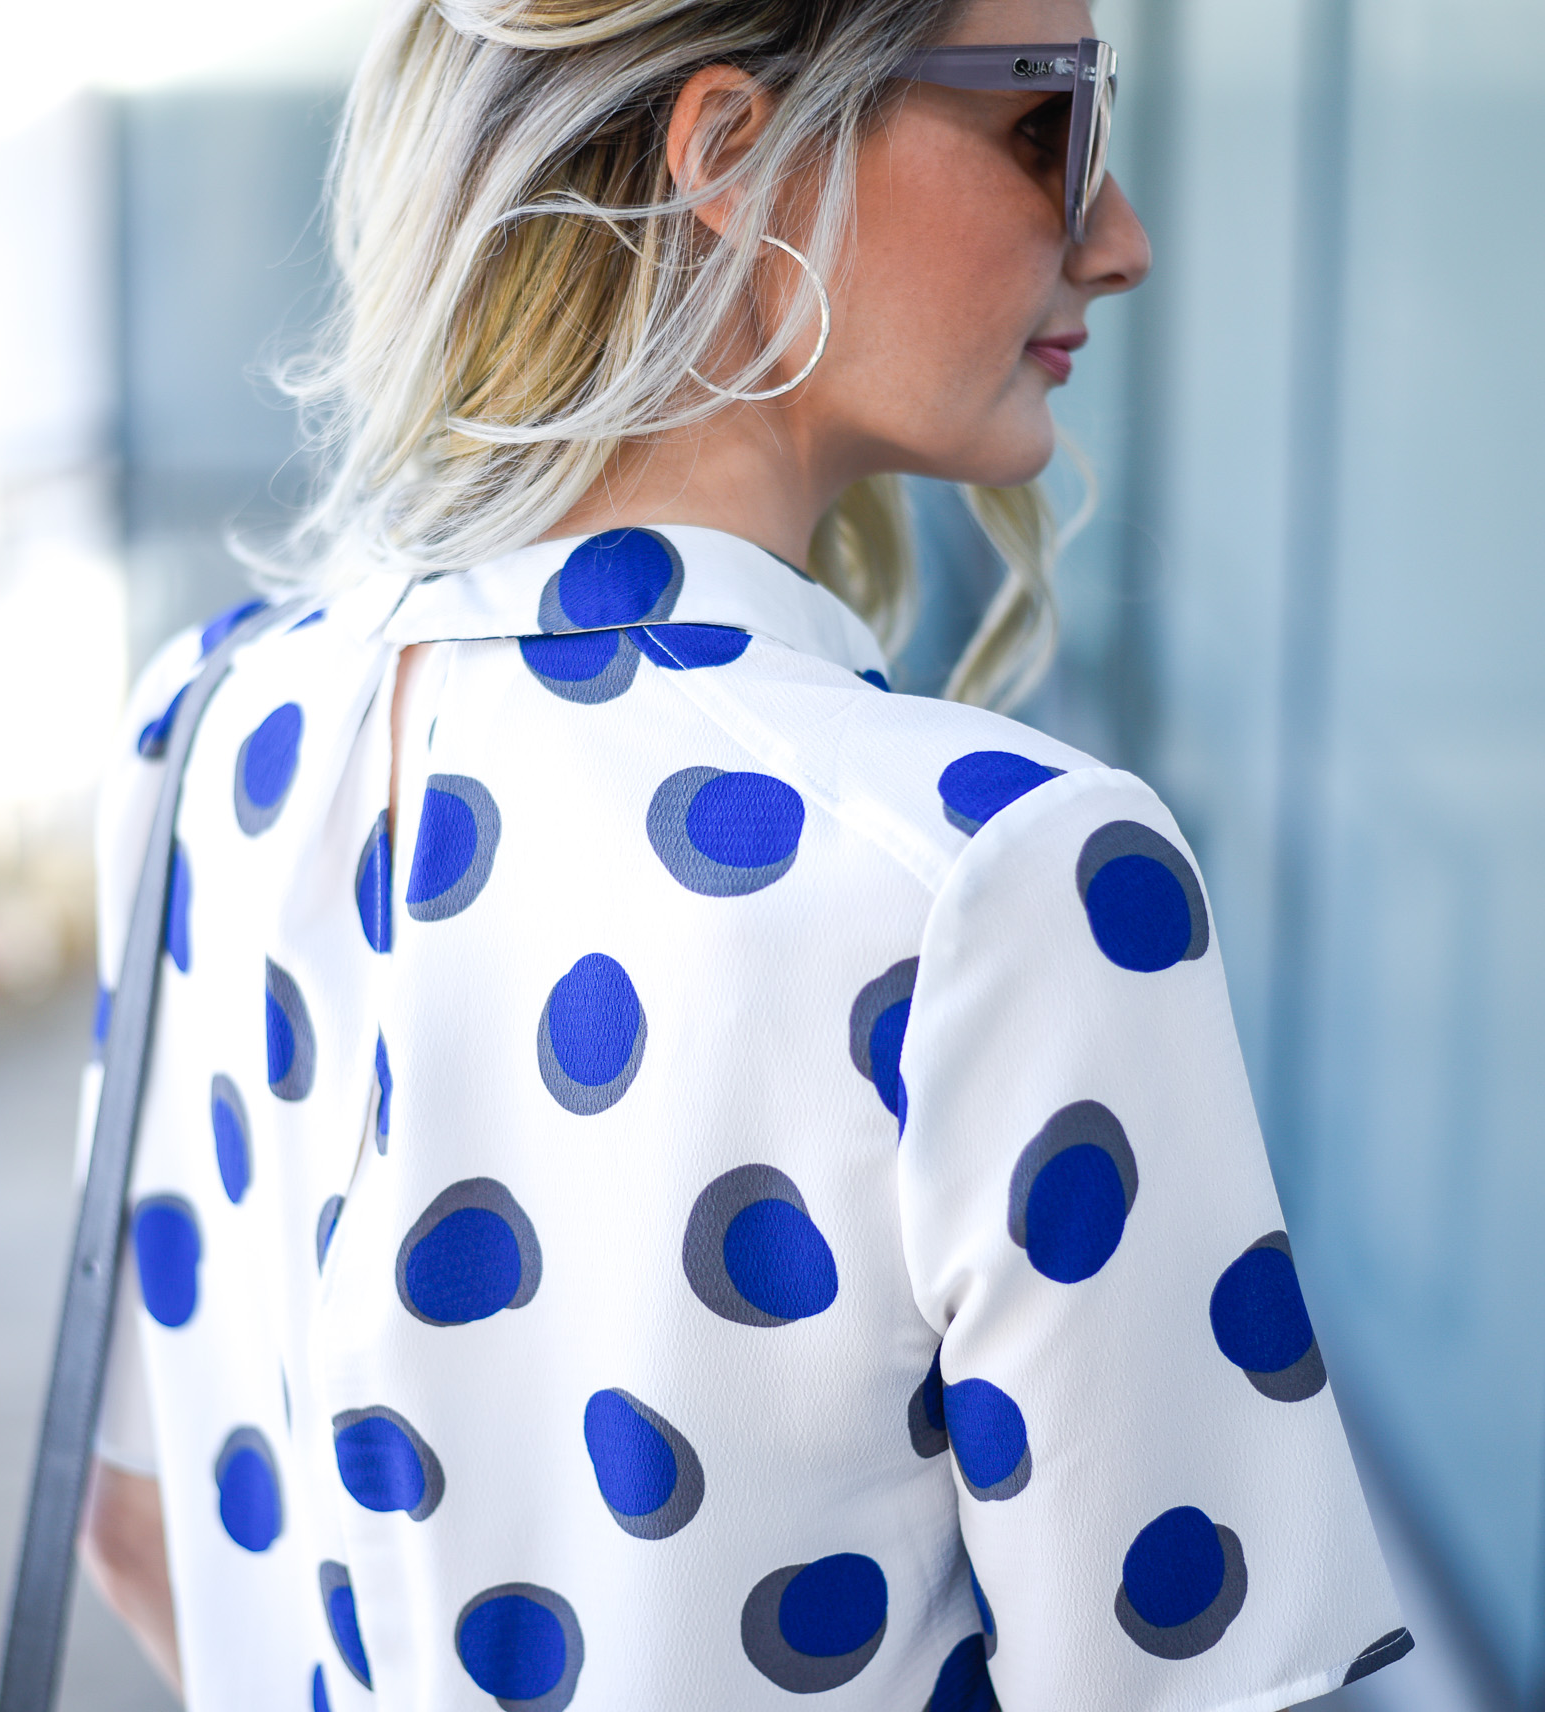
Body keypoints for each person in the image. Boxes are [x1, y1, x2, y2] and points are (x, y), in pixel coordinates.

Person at [75, 0, 1411, 1707]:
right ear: (732, 159)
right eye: (1050, 120)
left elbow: (141, 1530)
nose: (1121, 235)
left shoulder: (197, 732)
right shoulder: (1001, 881)